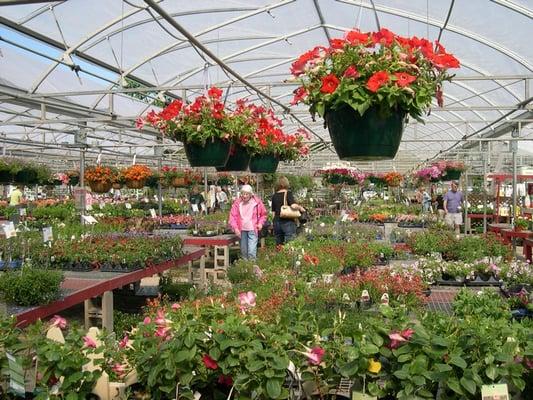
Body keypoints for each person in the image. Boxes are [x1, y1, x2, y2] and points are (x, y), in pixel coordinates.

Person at [229, 185, 267, 260]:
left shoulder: (257, 202)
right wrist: (235, 228)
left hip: (253, 229)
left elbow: (263, 214)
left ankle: (252, 268)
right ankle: (246, 268)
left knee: (251, 251)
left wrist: (260, 223)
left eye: (247, 194)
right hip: (241, 230)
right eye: (243, 194)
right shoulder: (237, 203)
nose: (244, 196)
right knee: (244, 252)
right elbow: (232, 217)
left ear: (250, 194)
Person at [271, 176, 305, 245]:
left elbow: (273, 211)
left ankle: (279, 255)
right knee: (290, 244)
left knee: (279, 244)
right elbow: (293, 206)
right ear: (286, 183)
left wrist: (273, 223)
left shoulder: (274, 195)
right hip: (287, 222)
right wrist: (301, 208)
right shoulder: (288, 193)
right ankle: (289, 256)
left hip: (276, 222)